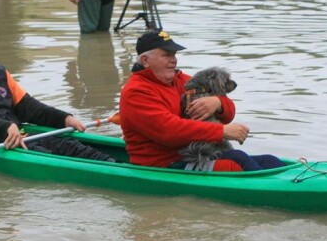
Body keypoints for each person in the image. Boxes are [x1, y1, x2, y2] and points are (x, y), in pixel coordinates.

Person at [0, 18, 115, 162]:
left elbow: (27, 106)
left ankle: (114, 164)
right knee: (46, 154)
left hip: (18, 134)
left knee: (71, 145)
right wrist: (5, 128)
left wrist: (63, 118)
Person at [118, 30, 285, 172]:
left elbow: (229, 113)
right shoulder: (136, 92)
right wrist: (221, 131)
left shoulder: (182, 80)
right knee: (236, 162)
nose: (174, 59)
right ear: (146, 61)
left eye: (174, 54)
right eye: (166, 55)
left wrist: (217, 103)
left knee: (270, 161)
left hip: (194, 155)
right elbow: (168, 131)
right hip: (165, 165)